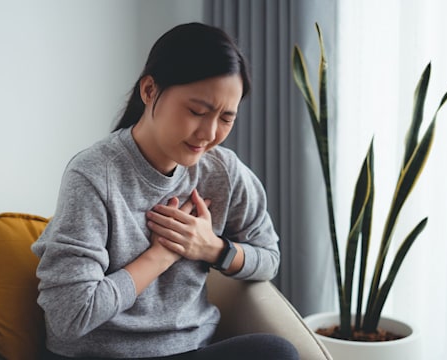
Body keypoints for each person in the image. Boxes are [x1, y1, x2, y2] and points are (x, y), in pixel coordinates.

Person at [32, 22, 299, 360]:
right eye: (197, 111)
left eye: (226, 118)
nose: (209, 132)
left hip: (188, 349)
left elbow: (268, 257)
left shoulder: (222, 171)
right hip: (98, 355)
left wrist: (212, 249)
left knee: (277, 352)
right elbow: (70, 315)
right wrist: (162, 255)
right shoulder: (94, 174)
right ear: (149, 90)